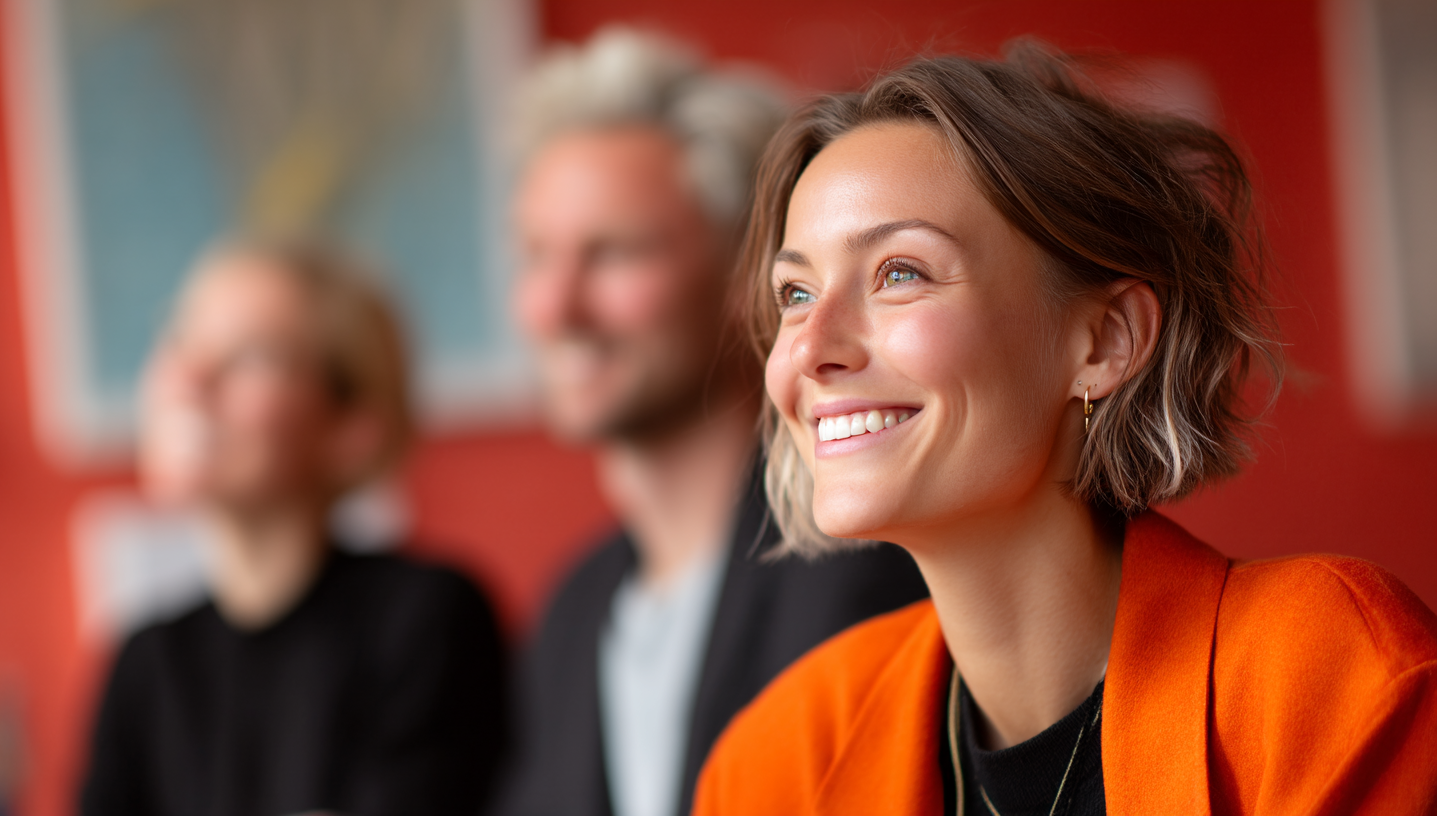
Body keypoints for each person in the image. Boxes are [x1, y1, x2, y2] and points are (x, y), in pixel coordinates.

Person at [693, 43, 1437, 816]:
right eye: (796, 292)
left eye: (900, 273)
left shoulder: (1334, 677)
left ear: (1107, 340)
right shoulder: (775, 762)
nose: (808, 349)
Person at [493, 28, 928, 816]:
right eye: (534, 256)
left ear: (751, 276)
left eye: (614, 254)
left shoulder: (869, 566)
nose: (556, 309)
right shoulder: (572, 614)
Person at [80, 239, 507, 816]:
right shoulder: (148, 661)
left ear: (353, 429)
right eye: (181, 340)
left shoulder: (426, 617)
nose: (191, 379)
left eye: (252, 356)